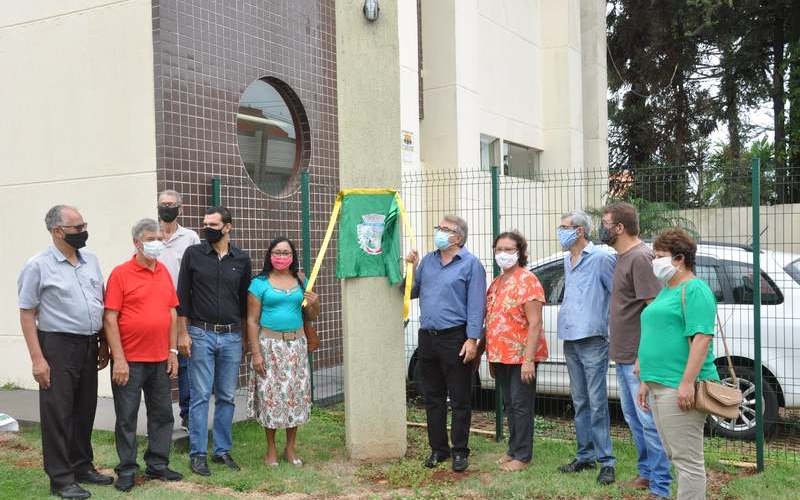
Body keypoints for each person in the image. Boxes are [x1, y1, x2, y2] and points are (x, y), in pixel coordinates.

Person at [17, 205, 113, 500]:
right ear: (57, 231)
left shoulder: (91, 261)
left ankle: (82, 466)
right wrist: (37, 358)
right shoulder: (38, 265)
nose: (84, 232)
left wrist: (103, 343)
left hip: (88, 344)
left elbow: (99, 303)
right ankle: (60, 478)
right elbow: (27, 313)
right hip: (57, 346)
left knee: (84, 409)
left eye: (84, 225)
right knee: (58, 412)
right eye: (77, 227)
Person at [637, 228, 719, 500]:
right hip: (660, 385)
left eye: (659, 256)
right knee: (675, 455)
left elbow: (702, 339)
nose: (654, 262)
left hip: (678, 386)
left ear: (680, 259)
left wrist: (686, 384)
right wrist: (646, 383)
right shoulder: (666, 291)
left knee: (687, 461)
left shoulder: (695, 289)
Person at [104, 219, 183, 492]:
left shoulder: (163, 271)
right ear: (137, 242)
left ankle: (158, 464)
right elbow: (110, 318)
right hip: (130, 361)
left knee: (162, 414)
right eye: (152, 238)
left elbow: (172, 312)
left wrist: (172, 352)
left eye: (160, 238)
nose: (158, 243)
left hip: (160, 358)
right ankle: (126, 469)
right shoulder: (120, 274)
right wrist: (120, 359)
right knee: (127, 416)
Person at [599, 202, 671, 499]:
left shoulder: (641, 258)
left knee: (649, 421)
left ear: (619, 227)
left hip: (638, 358)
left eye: (604, 223)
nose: (601, 228)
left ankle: (660, 484)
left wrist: (644, 356)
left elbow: (653, 311)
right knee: (633, 417)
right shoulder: (622, 257)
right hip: (623, 354)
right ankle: (646, 473)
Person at [405, 214, 487, 473]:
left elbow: (477, 306)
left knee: (460, 398)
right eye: (438, 227)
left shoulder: (471, 265)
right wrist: (411, 268)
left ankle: (460, 451)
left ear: (458, 237)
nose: (438, 232)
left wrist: (472, 340)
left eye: (444, 229)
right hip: (427, 338)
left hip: (456, 338)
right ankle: (438, 449)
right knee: (433, 397)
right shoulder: (428, 261)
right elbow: (411, 291)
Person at [177, 206, 252, 476]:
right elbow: (182, 297)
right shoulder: (193, 254)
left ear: (228, 227)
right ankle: (198, 454)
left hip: (231, 336)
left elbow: (244, 303)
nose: (207, 228)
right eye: (204, 223)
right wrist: (183, 333)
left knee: (227, 396)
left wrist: (243, 336)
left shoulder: (241, 259)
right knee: (199, 397)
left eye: (213, 224)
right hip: (200, 334)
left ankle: (222, 450)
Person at [245, 237, 320, 466]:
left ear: (293, 257)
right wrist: (256, 353)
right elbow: (251, 320)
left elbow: (311, 315)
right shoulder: (259, 283)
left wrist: (315, 302)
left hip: (296, 346)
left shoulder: (300, 280)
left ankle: (290, 448)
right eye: (277, 252)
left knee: (295, 396)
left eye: (286, 253)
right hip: (270, 346)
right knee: (271, 397)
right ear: (269, 255)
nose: (281, 257)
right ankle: (271, 450)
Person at [555, 210, 617, 485]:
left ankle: (607, 462)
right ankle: (585, 455)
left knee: (597, 401)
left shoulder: (602, 258)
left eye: (564, 227)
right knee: (579, 401)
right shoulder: (569, 260)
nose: (560, 231)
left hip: (593, 338)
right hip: (571, 338)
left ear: (579, 231)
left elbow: (617, 296)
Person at [485, 231, 547, 472]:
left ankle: (523, 456)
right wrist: (490, 355)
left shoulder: (528, 280)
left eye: (509, 249)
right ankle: (513, 450)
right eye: (499, 249)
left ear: (520, 252)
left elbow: (535, 323)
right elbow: (492, 320)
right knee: (510, 405)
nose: (503, 254)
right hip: (501, 356)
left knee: (521, 405)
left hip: (522, 356)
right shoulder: (497, 283)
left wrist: (529, 360)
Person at [156, 189, 201, 431]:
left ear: (180, 208)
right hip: (156, 309)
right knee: (159, 361)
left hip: (183, 309)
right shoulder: (150, 235)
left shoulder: (190, 237)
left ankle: (187, 413)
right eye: (163, 204)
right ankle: (162, 416)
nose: (167, 208)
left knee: (185, 361)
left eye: (171, 204)